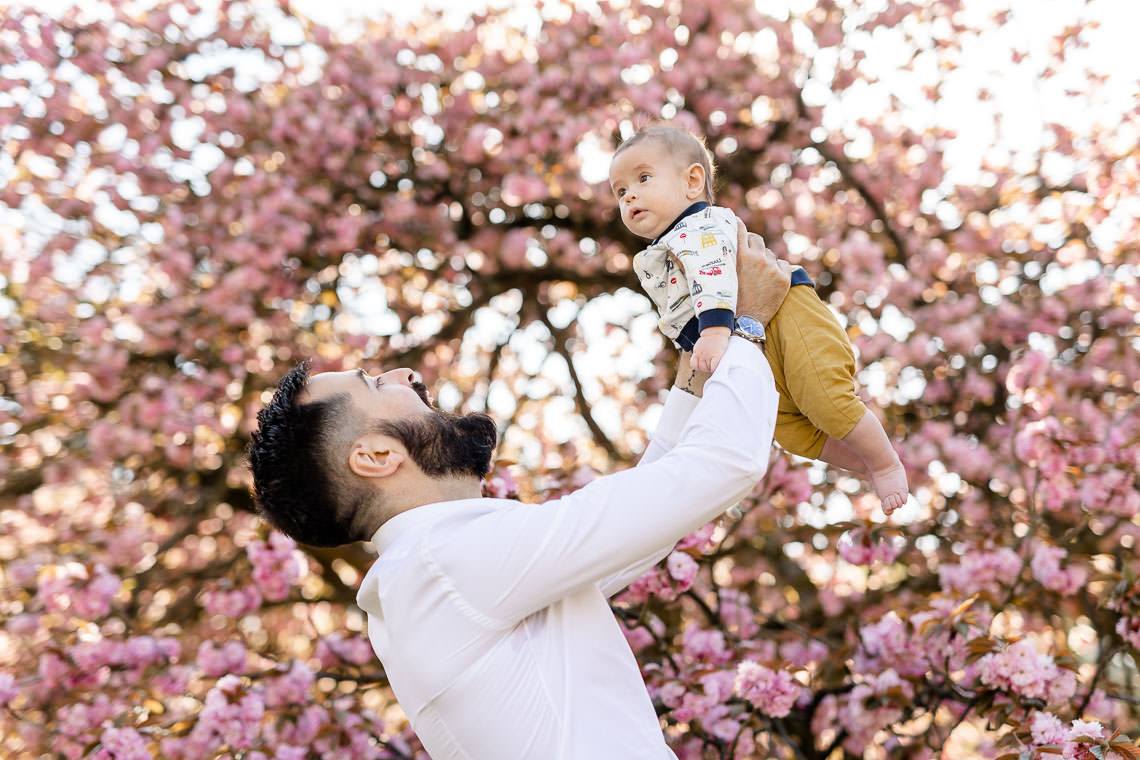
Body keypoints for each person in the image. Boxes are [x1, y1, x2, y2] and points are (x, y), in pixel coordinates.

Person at [247, 224, 790, 759]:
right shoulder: (441, 562)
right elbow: (721, 465)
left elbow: (646, 518)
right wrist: (744, 326)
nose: (405, 375)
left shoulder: (428, 577)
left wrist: (702, 349)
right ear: (375, 457)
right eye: (373, 384)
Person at [608, 123, 909, 515]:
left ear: (693, 181)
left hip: (785, 311)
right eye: (620, 191)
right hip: (751, 338)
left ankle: (885, 462)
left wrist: (714, 332)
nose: (630, 193)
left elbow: (713, 272)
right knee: (789, 432)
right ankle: (867, 463)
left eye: (643, 178)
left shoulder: (698, 227)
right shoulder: (662, 249)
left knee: (826, 398)